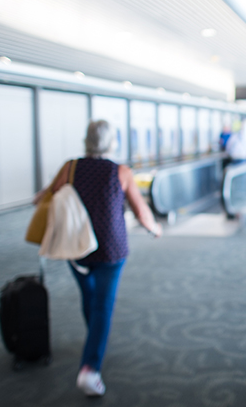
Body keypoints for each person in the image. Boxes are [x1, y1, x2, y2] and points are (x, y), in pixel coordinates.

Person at [38, 120, 162, 397]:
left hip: (75, 247)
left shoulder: (70, 167)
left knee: (90, 298)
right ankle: (90, 368)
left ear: (86, 141)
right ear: (112, 143)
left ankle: (95, 339)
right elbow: (141, 211)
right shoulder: (121, 171)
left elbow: (44, 197)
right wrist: (155, 228)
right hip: (110, 249)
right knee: (103, 306)